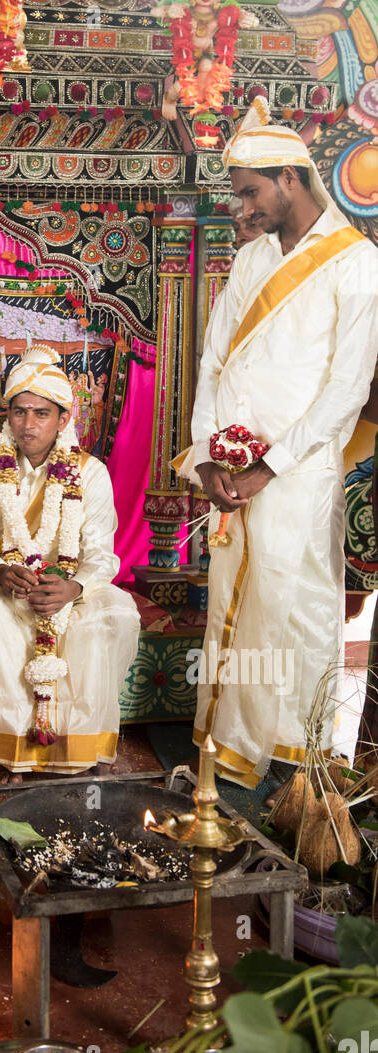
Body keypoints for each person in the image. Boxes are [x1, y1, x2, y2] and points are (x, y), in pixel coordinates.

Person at [173, 97, 378, 789]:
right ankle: (225, 746)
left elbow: (345, 390)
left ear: (290, 179)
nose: (240, 209)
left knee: (290, 602)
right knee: (233, 594)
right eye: (236, 196)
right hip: (231, 468)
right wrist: (206, 452)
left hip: (295, 470)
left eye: (249, 193)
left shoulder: (356, 265)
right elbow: (211, 360)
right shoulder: (252, 257)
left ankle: (293, 761)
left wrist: (270, 465)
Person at [0, 345, 140, 781]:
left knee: (109, 614)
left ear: (64, 419)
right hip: (7, 578)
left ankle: (74, 750)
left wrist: (74, 588)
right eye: (19, 412)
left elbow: (102, 552)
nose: (28, 424)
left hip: (71, 582)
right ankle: (8, 754)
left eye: (41, 413)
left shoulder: (91, 472)